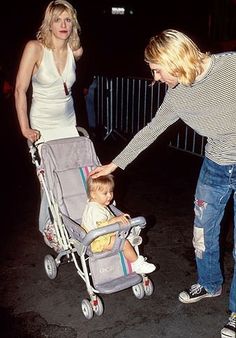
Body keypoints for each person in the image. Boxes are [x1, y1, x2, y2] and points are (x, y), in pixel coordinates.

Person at [89, 29, 236, 338]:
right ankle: (209, 284)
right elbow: (151, 130)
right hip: (215, 165)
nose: (154, 78)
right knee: (203, 232)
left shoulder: (230, 68)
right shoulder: (178, 96)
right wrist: (116, 162)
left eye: (156, 69)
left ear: (174, 59)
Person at [14, 0, 83, 144]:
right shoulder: (35, 48)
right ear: (49, 24)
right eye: (57, 20)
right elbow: (20, 90)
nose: (63, 25)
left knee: (72, 164)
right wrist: (25, 128)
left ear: (73, 24)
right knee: (48, 165)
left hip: (68, 120)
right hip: (42, 123)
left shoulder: (76, 51)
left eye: (68, 20)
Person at [81, 174, 156, 274]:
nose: (110, 196)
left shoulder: (97, 203)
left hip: (103, 235)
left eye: (111, 191)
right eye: (105, 193)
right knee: (124, 243)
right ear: (93, 194)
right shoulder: (95, 210)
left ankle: (130, 233)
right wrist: (115, 220)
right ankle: (137, 265)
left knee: (123, 230)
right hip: (98, 240)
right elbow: (101, 227)